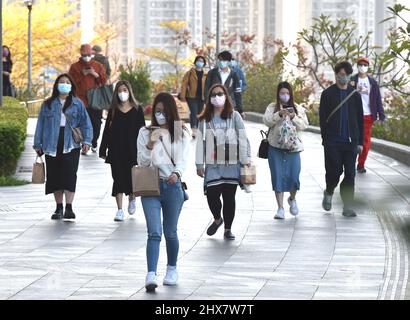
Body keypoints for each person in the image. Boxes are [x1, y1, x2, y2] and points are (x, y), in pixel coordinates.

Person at [137, 92, 190, 292]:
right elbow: (141, 162)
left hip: (172, 186)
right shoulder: (144, 132)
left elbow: (183, 159)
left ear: (171, 112)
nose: (160, 115)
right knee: (154, 232)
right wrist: (151, 142)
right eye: (157, 111)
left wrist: (176, 173)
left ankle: (172, 268)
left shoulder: (181, 131)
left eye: (163, 111)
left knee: (170, 232)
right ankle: (151, 273)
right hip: (150, 185)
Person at [196, 83, 251, 241]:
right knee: (212, 195)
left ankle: (228, 229)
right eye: (213, 95)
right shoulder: (205, 119)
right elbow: (200, 141)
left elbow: (243, 137)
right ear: (209, 99)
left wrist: (246, 158)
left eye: (220, 93)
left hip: (231, 163)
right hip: (213, 163)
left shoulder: (234, 116)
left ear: (226, 96)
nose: (217, 97)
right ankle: (217, 219)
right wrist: (199, 164)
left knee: (229, 197)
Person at [33, 74, 93, 220]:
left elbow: (86, 123)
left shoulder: (77, 103)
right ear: (56, 85)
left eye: (67, 82)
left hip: (71, 144)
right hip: (51, 142)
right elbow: (40, 124)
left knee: (70, 174)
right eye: (61, 82)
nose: (64, 84)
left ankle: (69, 208)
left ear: (71, 86)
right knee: (55, 175)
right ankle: (58, 208)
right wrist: (37, 144)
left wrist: (87, 141)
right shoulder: (48, 104)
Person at [319, 61, 364, 218]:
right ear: (336, 74)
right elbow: (322, 118)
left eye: (345, 74)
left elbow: (360, 119)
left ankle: (348, 206)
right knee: (334, 172)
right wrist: (325, 139)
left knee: (350, 174)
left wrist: (360, 142)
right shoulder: (327, 94)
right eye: (340, 74)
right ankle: (329, 191)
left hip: (350, 142)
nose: (343, 77)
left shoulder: (355, 95)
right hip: (333, 142)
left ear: (349, 75)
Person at [99, 80, 146, 222]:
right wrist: (103, 149)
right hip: (115, 149)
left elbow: (143, 131)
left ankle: (132, 196)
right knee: (117, 178)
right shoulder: (113, 109)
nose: (122, 93)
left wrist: (144, 150)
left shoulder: (137, 109)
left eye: (125, 90)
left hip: (132, 150)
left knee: (131, 177)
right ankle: (119, 209)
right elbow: (107, 130)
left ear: (129, 91)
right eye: (119, 90)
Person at [263, 82, 309, 219]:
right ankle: (280, 208)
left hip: (293, 148)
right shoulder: (272, 107)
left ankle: (292, 198)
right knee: (277, 176)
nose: (285, 96)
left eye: (287, 93)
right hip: (275, 147)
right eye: (282, 93)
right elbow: (266, 121)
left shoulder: (298, 108)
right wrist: (279, 114)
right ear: (278, 94)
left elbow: (304, 125)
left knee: (294, 177)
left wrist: (294, 116)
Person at [69, 44, 107, 154]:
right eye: (84, 55)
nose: (87, 57)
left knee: (96, 122)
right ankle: (85, 144)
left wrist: (95, 74)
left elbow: (103, 82)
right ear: (81, 54)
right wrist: (82, 74)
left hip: (95, 100)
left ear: (92, 54)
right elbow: (70, 82)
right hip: (80, 100)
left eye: (89, 54)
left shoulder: (98, 66)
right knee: (82, 123)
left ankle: (94, 141)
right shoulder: (75, 67)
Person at [350, 57, 386, 173]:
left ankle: (361, 164)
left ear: (368, 66)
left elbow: (377, 100)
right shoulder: (352, 80)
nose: (362, 66)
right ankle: (350, 162)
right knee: (353, 139)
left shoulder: (373, 83)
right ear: (357, 66)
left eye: (365, 64)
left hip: (367, 115)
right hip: (353, 115)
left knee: (365, 142)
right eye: (360, 64)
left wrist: (381, 115)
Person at [205, 51, 244, 118]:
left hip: (229, 103)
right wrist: (206, 103)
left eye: (224, 60)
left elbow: (237, 92)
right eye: (220, 60)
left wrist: (240, 109)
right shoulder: (212, 73)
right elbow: (206, 89)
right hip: (214, 103)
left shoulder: (233, 74)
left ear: (228, 61)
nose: (221, 62)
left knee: (228, 123)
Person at [180, 55, 207, 139]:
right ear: (195, 62)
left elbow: (208, 85)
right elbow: (184, 84)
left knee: (200, 114)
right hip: (191, 97)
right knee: (194, 112)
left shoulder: (206, 74)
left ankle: (198, 129)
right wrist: (183, 95)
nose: (200, 62)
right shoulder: (190, 72)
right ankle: (194, 130)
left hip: (202, 97)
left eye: (202, 61)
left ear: (204, 63)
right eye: (198, 60)